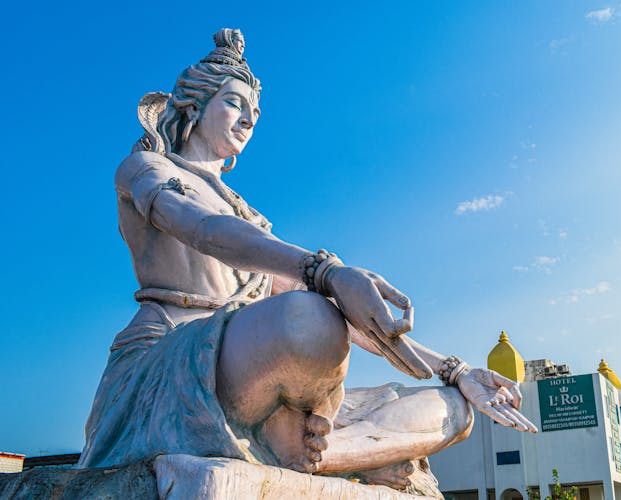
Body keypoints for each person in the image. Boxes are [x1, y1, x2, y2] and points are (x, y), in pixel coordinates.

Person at [78, 28, 536, 492]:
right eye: (236, 104)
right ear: (193, 106)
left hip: (266, 381)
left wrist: (457, 372)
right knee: (310, 320)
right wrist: (326, 273)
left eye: (255, 115)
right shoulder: (147, 169)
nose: (248, 122)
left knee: (455, 411)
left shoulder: (250, 218)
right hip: (173, 362)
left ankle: (316, 454)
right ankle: (307, 448)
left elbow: (360, 322)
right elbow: (204, 230)